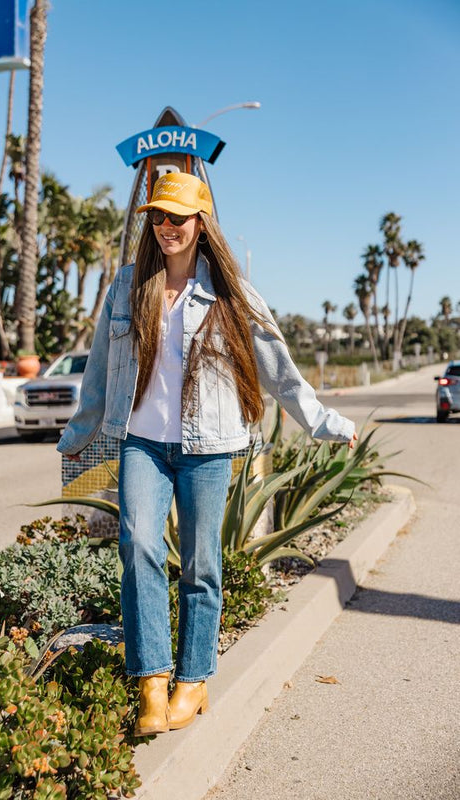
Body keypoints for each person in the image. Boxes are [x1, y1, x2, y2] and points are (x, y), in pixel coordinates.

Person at [57, 171, 357, 737]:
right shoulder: (127, 285)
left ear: (200, 224)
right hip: (142, 441)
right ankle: (151, 681)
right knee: (139, 542)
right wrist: (79, 433)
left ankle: (192, 683)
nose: (166, 227)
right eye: (158, 217)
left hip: (210, 447)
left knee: (200, 563)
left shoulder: (231, 292)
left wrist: (324, 422)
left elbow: (280, 370)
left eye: (178, 217)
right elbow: (98, 370)